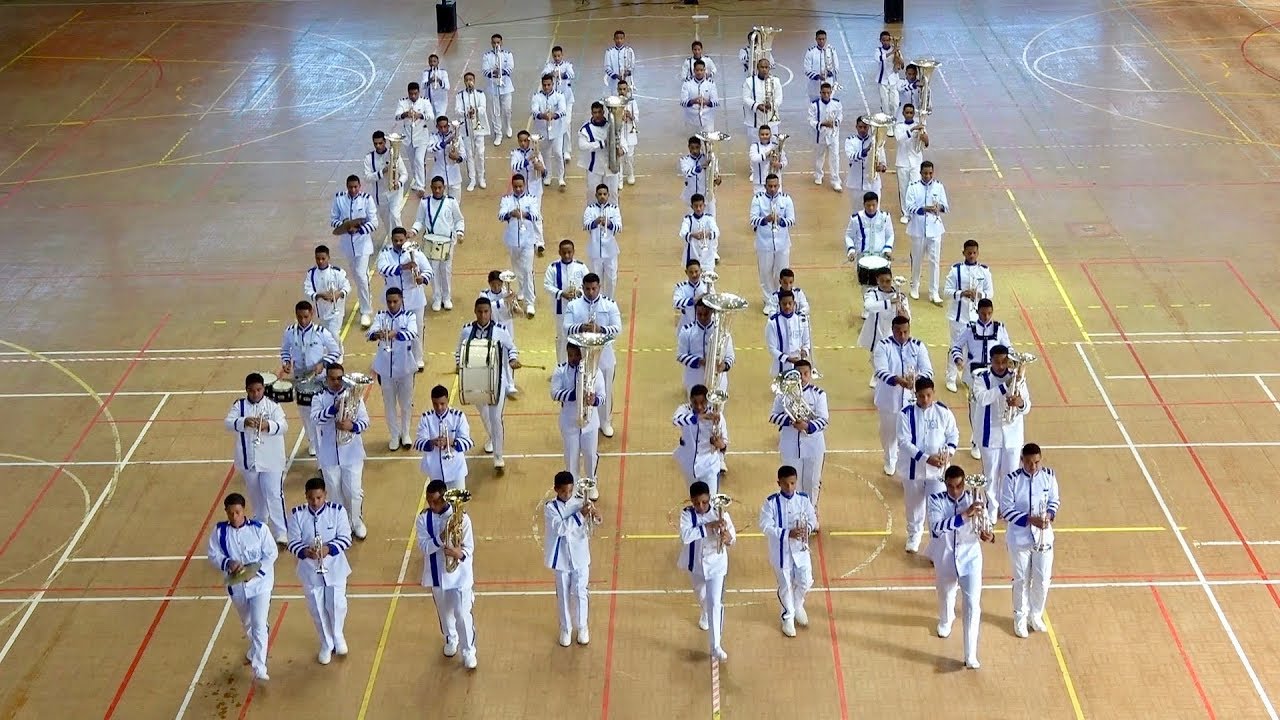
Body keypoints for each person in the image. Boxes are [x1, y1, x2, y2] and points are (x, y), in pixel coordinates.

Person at [206, 492, 278, 683]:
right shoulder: (219, 532)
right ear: (226, 512)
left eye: (237, 512)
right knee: (248, 622)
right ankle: (256, 645)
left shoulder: (259, 529)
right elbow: (213, 555)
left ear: (243, 510)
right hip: (237, 587)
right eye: (230, 513)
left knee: (259, 624)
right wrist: (228, 562)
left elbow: (271, 554)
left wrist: (256, 572)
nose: (234, 516)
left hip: (260, 584)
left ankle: (259, 667)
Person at [928, 465, 993, 669]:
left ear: (964, 483)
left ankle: (970, 654)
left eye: (958, 486)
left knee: (973, 605)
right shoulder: (936, 500)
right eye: (950, 486)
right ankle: (946, 620)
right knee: (946, 594)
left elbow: (987, 526)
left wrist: (988, 535)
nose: (955, 490)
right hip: (946, 558)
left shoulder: (978, 499)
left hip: (971, 559)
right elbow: (937, 528)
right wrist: (965, 515)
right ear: (945, 484)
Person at [286, 477, 353, 665]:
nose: (315, 502)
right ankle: (326, 641)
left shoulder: (337, 512)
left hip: (335, 568)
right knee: (316, 608)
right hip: (309, 570)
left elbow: (346, 538)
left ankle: (338, 635)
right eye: (310, 498)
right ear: (305, 497)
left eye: (318, 498)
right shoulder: (297, 514)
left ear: (325, 495)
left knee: (337, 604)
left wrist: (328, 549)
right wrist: (305, 551)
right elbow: (292, 542)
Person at [416, 479, 478, 669]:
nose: (432, 506)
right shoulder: (422, 519)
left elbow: (469, 547)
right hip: (437, 575)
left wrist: (459, 554)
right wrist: (442, 539)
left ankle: (469, 651)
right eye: (429, 501)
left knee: (462, 613)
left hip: (459, 575)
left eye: (436, 502)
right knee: (444, 613)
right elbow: (424, 547)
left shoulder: (462, 518)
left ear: (445, 499)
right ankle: (451, 638)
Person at [999, 443, 1059, 638]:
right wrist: (1029, 519)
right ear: (1022, 460)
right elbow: (1006, 510)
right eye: (1029, 462)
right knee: (1021, 580)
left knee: (1042, 580)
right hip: (1019, 539)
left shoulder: (1049, 475)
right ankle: (1019, 618)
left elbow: (1054, 500)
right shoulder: (1011, 480)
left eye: (1037, 462)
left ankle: (1036, 615)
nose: (1033, 466)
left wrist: (1049, 516)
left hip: (1043, 537)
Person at [455, 298, 522, 472]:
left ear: (490, 312)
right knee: (485, 415)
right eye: (480, 312)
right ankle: (492, 437)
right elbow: (458, 352)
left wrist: (513, 359)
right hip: (474, 381)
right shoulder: (466, 330)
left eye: (486, 312)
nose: (483, 315)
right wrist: (458, 366)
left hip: (496, 381)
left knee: (495, 418)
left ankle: (498, 456)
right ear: (475, 311)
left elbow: (512, 347)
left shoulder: (500, 330)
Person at [224, 373, 289, 543]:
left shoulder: (273, 405)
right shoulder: (239, 406)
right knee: (255, 495)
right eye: (251, 391)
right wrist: (244, 422)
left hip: (272, 459)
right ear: (246, 390)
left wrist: (268, 425)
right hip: (249, 460)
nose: (255, 394)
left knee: (274, 494)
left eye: (259, 390)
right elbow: (228, 423)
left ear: (263, 389)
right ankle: (261, 525)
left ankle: (281, 531)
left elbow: (284, 426)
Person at [897, 377, 959, 554]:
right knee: (914, 506)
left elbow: (953, 435)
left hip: (938, 471)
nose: (925, 400)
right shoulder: (905, 413)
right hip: (913, 470)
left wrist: (949, 454)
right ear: (915, 394)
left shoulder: (943, 412)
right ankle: (914, 535)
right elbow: (904, 442)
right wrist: (925, 458)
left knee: (936, 508)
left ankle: (936, 544)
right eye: (921, 396)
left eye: (928, 395)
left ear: (933, 394)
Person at [310, 363, 371, 539]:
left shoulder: (353, 396)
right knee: (335, 492)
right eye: (332, 378)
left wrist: (352, 425)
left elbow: (365, 421)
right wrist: (333, 409)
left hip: (352, 453)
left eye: (339, 378)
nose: (336, 382)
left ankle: (357, 522)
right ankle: (342, 526)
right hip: (329, 454)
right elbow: (315, 418)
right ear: (326, 379)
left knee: (353, 491)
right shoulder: (319, 398)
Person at [970, 345, 1030, 517]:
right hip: (989, 435)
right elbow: (982, 399)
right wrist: (1005, 387)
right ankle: (992, 508)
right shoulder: (981, 379)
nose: (1002, 366)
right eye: (997, 362)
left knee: (1010, 473)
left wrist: (1019, 403)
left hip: (1013, 435)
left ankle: (1006, 507)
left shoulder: (1018, 379)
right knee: (990, 474)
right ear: (991, 361)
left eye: (1005, 361)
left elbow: (1027, 406)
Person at [949, 298, 1014, 456]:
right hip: (975, 374)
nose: (986, 317)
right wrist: (958, 359)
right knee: (976, 409)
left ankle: (995, 435)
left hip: (996, 373)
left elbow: (1009, 347)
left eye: (989, 313)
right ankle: (976, 439)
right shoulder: (969, 328)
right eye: (983, 313)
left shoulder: (999, 328)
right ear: (977, 312)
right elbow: (956, 345)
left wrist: (1011, 361)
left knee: (996, 404)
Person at [758, 465, 817, 637]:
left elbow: (812, 518)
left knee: (806, 580)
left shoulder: (804, 499)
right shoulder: (771, 503)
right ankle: (788, 617)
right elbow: (765, 525)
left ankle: (797, 604)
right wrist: (786, 533)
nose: (790, 487)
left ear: (796, 481)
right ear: (779, 483)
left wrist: (807, 529)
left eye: (792, 483)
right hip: (781, 551)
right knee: (785, 585)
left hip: (800, 549)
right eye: (785, 484)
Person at [679, 480, 735, 661]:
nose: (700, 506)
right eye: (696, 503)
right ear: (691, 501)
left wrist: (727, 538)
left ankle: (715, 645)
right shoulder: (687, 515)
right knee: (702, 597)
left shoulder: (721, 514)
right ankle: (704, 613)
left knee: (715, 603)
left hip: (716, 565)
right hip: (695, 565)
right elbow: (686, 536)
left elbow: (732, 539)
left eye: (704, 502)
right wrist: (708, 527)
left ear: (709, 498)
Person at [562, 273, 622, 438]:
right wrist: (581, 327)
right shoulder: (574, 305)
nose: (590, 292)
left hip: (604, 355)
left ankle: (605, 421)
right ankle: (583, 419)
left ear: (599, 287)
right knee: (581, 387)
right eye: (587, 288)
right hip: (580, 355)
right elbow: (566, 327)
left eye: (594, 288)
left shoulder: (609, 304)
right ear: (583, 287)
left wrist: (601, 329)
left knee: (606, 389)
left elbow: (617, 328)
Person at [872, 316, 933, 475]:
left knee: (912, 434)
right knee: (889, 433)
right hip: (889, 399)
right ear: (892, 330)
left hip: (912, 401)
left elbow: (928, 370)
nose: (903, 335)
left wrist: (916, 380)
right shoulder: (883, 346)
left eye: (906, 331)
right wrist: (898, 380)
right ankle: (889, 459)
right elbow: (880, 370)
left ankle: (909, 461)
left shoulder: (918, 346)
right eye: (899, 332)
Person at [279, 302, 341, 459]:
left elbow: (335, 351)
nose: (303, 321)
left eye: (306, 317)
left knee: (319, 412)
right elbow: (285, 350)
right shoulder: (289, 332)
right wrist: (286, 363)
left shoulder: (321, 332)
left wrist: (323, 363)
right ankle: (312, 441)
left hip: (319, 378)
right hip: (300, 378)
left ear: (311, 314)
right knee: (305, 414)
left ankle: (323, 441)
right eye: (299, 317)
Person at [544, 470, 598, 646]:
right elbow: (560, 529)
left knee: (580, 592)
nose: (567, 495)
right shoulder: (550, 508)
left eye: (569, 491)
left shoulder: (580, 501)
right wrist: (580, 515)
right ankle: (566, 628)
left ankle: (582, 626)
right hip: (561, 559)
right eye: (563, 492)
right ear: (556, 490)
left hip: (580, 555)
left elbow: (594, 521)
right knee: (564, 595)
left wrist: (595, 516)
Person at [768, 360, 828, 507]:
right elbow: (773, 416)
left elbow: (824, 420)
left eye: (805, 373)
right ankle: (795, 511)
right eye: (798, 374)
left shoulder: (819, 394)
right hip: (790, 447)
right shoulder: (783, 395)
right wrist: (791, 420)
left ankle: (811, 512)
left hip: (813, 446)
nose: (802, 377)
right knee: (793, 483)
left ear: (810, 374)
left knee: (813, 482)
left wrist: (807, 426)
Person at [551, 342, 606, 497]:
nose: (573, 358)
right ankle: (573, 488)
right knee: (571, 456)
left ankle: (591, 483)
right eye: (570, 355)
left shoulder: (594, 371)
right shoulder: (560, 370)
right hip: (569, 422)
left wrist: (594, 400)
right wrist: (575, 394)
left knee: (590, 454)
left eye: (576, 355)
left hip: (590, 422)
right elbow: (554, 393)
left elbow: (603, 396)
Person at [368, 287, 418, 451]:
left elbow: (412, 333)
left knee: (405, 403)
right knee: (389, 404)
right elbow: (370, 333)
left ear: (401, 300)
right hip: (385, 369)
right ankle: (394, 435)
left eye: (395, 301)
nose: (392, 304)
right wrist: (377, 335)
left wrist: (394, 334)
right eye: (389, 301)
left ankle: (406, 433)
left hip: (405, 368)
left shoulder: (409, 316)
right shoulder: (381, 316)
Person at [375, 227, 432, 370]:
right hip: (393, 301)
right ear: (391, 240)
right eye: (396, 240)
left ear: (406, 239)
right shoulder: (385, 253)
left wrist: (422, 278)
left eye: (401, 240)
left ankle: (417, 359)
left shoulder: (415, 252)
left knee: (417, 329)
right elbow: (383, 269)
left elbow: (429, 270)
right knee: (394, 329)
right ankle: (397, 358)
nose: (399, 243)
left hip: (414, 298)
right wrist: (403, 267)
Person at [409, 175, 467, 312]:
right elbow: (419, 220)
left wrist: (460, 233)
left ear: (444, 188)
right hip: (430, 242)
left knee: (446, 270)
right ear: (431, 188)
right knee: (433, 270)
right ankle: (436, 297)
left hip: (447, 242)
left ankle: (447, 297)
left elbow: (459, 220)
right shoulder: (424, 202)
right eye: (434, 188)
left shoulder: (451, 202)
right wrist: (413, 231)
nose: (437, 190)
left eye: (440, 188)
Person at [942, 239, 994, 390]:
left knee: (972, 348)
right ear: (963, 253)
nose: (972, 255)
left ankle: (966, 376)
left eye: (974, 253)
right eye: (969, 253)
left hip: (977, 319)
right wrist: (962, 293)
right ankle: (950, 377)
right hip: (957, 317)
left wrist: (978, 295)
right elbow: (946, 292)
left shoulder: (984, 271)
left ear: (978, 253)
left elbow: (990, 293)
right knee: (955, 347)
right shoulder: (956, 270)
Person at [329, 175, 379, 328]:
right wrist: (345, 226)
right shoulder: (339, 199)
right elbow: (333, 219)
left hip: (363, 245)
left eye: (355, 187)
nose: (353, 190)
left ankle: (366, 310)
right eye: (350, 187)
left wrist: (359, 229)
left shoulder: (366, 199)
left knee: (362, 276)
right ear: (347, 186)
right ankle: (366, 298)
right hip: (347, 245)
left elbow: (374, 222)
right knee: (356, 276)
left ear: (360, 186)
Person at [904, 160, 949, 303]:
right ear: (920, 173)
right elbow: (908, 207)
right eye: (925, 173)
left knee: (935, 261)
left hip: (935, 230)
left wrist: (939, 208)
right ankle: (914, 286)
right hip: (918, 229)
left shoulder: (939, 187)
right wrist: (923, 209)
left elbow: (946, 207)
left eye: (930, 173)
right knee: (917, 260)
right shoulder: (913, 187)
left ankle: (934, 292)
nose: (927, 176)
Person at [497, 174, 542, 317]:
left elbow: (536, 216)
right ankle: (522, 289)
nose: (518, 189)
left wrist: (525, 214)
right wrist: (511, 213)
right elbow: (500, 215)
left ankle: (530, 303)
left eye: (520, 186)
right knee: (517, 269)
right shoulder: (506, 200)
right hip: (512, 240)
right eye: (515, 186)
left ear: (524, 185)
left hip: (528, 240)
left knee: (528, 270)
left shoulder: (532, 199)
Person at [413, 385, 474, 490]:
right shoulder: (426, 418)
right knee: (438, 505)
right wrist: (432, 442)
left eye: (442, 404)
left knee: (458, 505)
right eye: (435, 404)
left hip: (456, 471)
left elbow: (468, 443)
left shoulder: (458, 417)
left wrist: (451, 442)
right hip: (435, 472)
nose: (439, 408)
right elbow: (418, 443)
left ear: (448, 400)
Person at [859, 267, 910, 387]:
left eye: (888, 281)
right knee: (875, 356)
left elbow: (908, 317)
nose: (885, 284)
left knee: (892, 357)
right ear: (877, 280)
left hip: (893, 332)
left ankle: (888, 377)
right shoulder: (872, 293)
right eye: (882, 281)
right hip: (876, 331)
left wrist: (904, 314)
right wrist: (890, 302)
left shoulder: (900, 295)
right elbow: (869, 306)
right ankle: (878, 373)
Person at [750, 173, 796, 308]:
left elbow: (792, 220)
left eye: (775, 186)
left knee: (781, 272)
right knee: (765, 273)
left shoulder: (786, 199)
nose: (773, 189)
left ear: (779, 186)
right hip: (764, 244)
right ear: (765, 186)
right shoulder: (757, 199)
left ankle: (780, 299)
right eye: (770, 186)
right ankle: (769, 301)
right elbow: (752, 219)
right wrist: (765, 219)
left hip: (782, 244)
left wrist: (781, 221)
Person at [673, 385, 729, 493]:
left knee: (711, 500)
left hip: (710, 465)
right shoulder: (685, 409)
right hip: (689, 464)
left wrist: (720, 444)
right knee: (695, 498)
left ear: (708, 400)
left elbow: (725, 443)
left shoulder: (717, 416)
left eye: (703, 402)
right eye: (695, 403)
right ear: (690, 400)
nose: (699, 407)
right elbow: (676, 420)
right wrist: (699, 417)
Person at [543, 239, 590, 364]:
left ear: (574, 252)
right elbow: (547, 285)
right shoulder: (553, 268)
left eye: (569, 252)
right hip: (560, 309)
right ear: (559, 252)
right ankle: (562, 365)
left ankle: (581, 364)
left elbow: (588, 282)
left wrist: (579, 291)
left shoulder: (581, 267)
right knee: (562, 338)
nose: (567, 255)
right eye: (564, 253)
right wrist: (561, 293)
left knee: (580, 335)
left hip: (579, 308)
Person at [676, 301, 735, 395]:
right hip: (695, 378)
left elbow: (730, 357)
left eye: (706, 314)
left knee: (717, 409)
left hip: (718, 379)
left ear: (712, 312)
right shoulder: (687, 331)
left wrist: (724, 365)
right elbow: (680, 356)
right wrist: (700, 361)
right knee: (697, 408)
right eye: (699, 314)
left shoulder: (722, 332)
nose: (702, 317)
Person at [363, 130, 408, 236]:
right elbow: (367, 177)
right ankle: (391, 242)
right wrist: (381, 172)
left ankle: (401, 240)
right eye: (375, 144)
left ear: (385, 142)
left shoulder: (394, 154)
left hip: (395, 192)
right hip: (380, 195)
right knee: (387, 221)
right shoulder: (369, 158)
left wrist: (399, 183)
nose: (378, 146)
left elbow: (404, 174)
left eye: (380, 143)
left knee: (395, 215)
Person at [581, 183, 622, 298]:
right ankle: (595, 301)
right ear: (596, 195)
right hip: (595, 250)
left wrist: (609, 224)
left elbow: (619, 227)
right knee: (595, 278)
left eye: (604, 194)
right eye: (600, 194)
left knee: (611, 278)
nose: (602, 196)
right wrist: (596, 222)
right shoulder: (590, 209)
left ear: (608, 195)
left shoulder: (614, 209)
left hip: (610, 251)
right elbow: (585, 225)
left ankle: (610, 301)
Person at [303, 244, 351, 341]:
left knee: (333, 333)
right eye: (318, 259)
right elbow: (307, 289)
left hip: (336, 311)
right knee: (323, 336)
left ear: (328, 258)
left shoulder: (337, 272)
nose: (320, 261)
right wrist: (319, 295)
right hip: (321, 311)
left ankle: (339, 355)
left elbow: (347, 286)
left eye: (323, 258)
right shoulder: (311, 274)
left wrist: (339, 294)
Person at [577, 101, 621, 204]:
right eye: (595, 112)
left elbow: (621, 139)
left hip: (611, 167)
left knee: (613, 194)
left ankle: (613, 218)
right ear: (591, 113)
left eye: (599, 112)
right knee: (592, 194)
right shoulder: (586, 129)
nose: (597, 115)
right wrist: (601, 144)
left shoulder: (611, 125)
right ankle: (591, 218)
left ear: (603, 112)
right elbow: (582, 146)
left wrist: (622, 149)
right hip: (594, 168)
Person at [395, 82, 434, 193]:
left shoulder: (425, 102)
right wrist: (405, 114)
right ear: (408, 93)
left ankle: (421, 186)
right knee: (413, 163)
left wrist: (420, 115)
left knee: (419, 160)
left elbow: (431, 116)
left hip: (421, 137)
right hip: (408, 138)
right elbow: (397, 116)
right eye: (411, 94)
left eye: (415, 94)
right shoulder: (402, 102)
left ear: (418, 92)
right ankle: (417, 181)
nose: (413, 96)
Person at [892, 103, 928, 223]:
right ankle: (906, 213)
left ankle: (915, 211)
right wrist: (912, 129)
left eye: (911, 113)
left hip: (916, 162)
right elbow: (900, 140)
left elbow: (925, 144)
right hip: (902, 162)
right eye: (906, 113)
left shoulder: (920, 126)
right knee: (904, 189)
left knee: (915, 188)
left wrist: (924, 137)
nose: (909, 115)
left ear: (914, 114)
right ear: (903, 113)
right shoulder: (899, 126)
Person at [530, 74, 568, 188]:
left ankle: (561, 177)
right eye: (544, 85)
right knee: (546, 153)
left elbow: (563, 110)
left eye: (549, 85)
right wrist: (542, 115)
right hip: (542, 130)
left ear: (553, 84)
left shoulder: (559, 96)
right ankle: (548, 175)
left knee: (557, 153)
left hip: (557, 130)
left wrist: (554, 115)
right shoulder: (537, 96)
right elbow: (534, 110)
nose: (546, 87)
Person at [454, 71, 490, 191]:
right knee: (469, 154)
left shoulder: (480, 94)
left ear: (474, 81)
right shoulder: (460, 96)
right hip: (466, 128)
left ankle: (481, 177)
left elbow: (483, 109)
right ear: (464, 82)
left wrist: (475, 111)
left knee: (480, 153)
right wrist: (465, 113)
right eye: (467, 80)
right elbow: (457, 110)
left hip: (478, 128)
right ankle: (472, 179)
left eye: (471, 79)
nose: (469, 82)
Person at [764, 290, 812, 375]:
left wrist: (804, 351)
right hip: (780, 367)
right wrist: (788, 359)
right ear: (779, 305)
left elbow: (807, 342)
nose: (787, 306)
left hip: (800, 366)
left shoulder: (802, 320)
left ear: (794, 304)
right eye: (784, 304)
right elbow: (772, 348)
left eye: (790, 303)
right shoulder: (773, 323)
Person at [808, 82, 843, 191]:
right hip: (820, 135)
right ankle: (818, 175)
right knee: (819, 156)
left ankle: (835, 180)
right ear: (820, 93)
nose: (826, 95)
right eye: (824, 93)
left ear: (831, 92)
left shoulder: (837, 103)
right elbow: (811, 120)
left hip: (833, 135)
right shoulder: (814, 105)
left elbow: (840, 116)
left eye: (828, 93)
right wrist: (822, 124)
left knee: (835, 157)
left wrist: (835, 122)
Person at [543, 46, 577, 158]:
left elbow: (572, 74)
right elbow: (544, 74)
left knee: (566, 123)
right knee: (555, 124)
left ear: (562, 55)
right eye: (555, 56)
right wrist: (552, 74)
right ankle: (556, 147)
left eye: (559, 56)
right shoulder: (549, 66)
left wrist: (562, 74)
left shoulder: (567, 65)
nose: (557, 58)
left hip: (567, 100)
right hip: (555, 101)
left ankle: (567, 150)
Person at [483, 33, 515, 145]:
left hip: (506, 87)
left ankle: (508, 126)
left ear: (501, 42)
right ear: (491, 43)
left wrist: (502, 72)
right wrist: (493, 73)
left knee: (507, 110)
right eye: (494, 43)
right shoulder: (487, 56)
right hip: (493, 87)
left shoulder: (507, 54)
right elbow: (485, 70)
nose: (496, 45)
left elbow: (510, 67)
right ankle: (498, 134)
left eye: (498, 42)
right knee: (495, 112)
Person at [679, 193, 720, 272]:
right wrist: (693, 235)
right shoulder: (688, 219)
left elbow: (716, 231)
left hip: (707, 256)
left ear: (704, 206)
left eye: (700, 206)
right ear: (692, 207)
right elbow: (683, 232)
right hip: (693, 254)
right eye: (696, 206)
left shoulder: (709, 218)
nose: (698, 209)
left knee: (708, 280)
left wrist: (707, 234)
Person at [742, 58, 783, 134]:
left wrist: (771, 105)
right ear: (757, 68)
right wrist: (757, 106)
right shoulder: (749, 81)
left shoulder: (776, 81)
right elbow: (745, 98)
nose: (764, 70)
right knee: (754, 145)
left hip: (772, 123)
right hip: (753, 123)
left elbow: (779, 98)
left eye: (766, 67)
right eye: (762, 67)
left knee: (773, 144)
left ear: (769, 68)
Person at [680, 60, 719, 134]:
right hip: (691, 121)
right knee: (693, 144)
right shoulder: (687, 83)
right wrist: (693, 101)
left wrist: (707, 102)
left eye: (701, 70)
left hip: (708, 121)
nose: (699, 72)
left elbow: (716, 102)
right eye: (697, 70)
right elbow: (682, 102)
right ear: (694, 70)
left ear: (705, 70)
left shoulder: (711, 83)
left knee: (707, 144)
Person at [870, 31, 904, 116]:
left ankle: (894, 120)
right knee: (885, 103)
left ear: (890, 40)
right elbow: (879, 59)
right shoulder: (878, 50)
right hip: (883, 80)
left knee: (895, 103)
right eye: (884, 40)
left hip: (894, 80)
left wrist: (898, 56)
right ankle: (887, 121)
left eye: (888, 40)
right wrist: (892, 53)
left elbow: (902, 65)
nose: (886, 42)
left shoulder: (896, 49)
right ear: (880, 40)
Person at [747, 125, 787, 194]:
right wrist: (767, 154)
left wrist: (779, 165)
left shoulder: (776, 146)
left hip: (775, 183)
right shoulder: (754, 146)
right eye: (762, 134)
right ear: (759, 135)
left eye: (767, 134)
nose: (765, 136)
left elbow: (785, 161)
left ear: (770, 135)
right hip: (760, 183)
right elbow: (754, 159)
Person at [803, 30, 840, 101]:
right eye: (819, 39)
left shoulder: (831, 50)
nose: (822, 41)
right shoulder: (811, 52)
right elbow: (807, 69)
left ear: (826, 39)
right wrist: (818, 76)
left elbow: (836, 67)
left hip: (828, 85)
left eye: (823, 39)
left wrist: (829, 73)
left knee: (828, 107)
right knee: (815, 108)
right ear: (816, 39)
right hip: (814, 87)